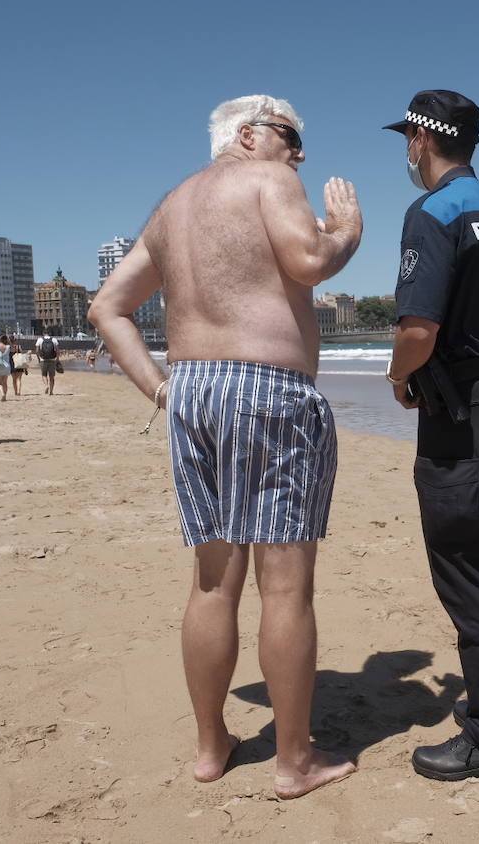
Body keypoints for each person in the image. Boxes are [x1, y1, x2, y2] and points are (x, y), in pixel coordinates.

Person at [88, 93, 362, 797]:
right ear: (248, 135)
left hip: (194, 388)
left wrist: (159, 388)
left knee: (214, 578)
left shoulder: (172, 205)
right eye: (290, 136)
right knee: (286, 582)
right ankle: (294, 762)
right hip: (269, 388)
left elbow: (107, 308)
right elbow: (308, 260)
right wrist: (347, 231)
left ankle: (212, 747)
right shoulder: (269, 177)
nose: (299, 152)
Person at [383, 90, 479, 781]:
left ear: (421, 138)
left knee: (465, 566)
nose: (407, 152)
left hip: (465, 407)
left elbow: (418, 330)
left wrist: (397, 375)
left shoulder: (434, 212)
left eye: (407, 139)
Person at [0, 335, 14, 400]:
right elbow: (13, 350)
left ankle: (2, 394)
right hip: (6, 366)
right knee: (5, 382)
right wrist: (9, 342)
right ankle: (5, 396)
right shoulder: (8, 347)